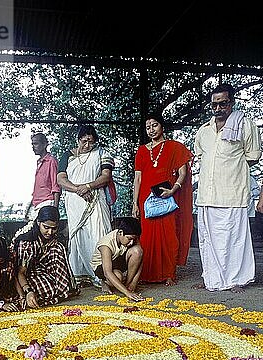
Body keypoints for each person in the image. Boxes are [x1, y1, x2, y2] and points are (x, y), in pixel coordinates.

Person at [194, 82, 262, 292]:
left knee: (234, 239)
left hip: (232, 192)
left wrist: (230, 170)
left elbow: (253, 156)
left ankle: (237, 280)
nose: (218, 109)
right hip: (207, 194)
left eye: (223, 103)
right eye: (214, 105)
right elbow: (201, 157)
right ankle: (212, 278)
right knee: (209, 240)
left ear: (231, 103)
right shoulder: (203, 130)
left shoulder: (245, 125)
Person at [132, 112, 194, 286]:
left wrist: (174, 189)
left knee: (169, 235)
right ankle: (146, 274)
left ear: (162, 126)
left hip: (168, 196)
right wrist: (135, 203)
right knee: (147, 237)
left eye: (155, 125)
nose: (151, 130)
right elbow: (138, 178)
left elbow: (183, 173)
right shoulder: (142, 151)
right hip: (147, 199)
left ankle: (168, 274)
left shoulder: (175, 147)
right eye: (148, 127)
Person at [57, 124, 114, 288]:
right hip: (75, 202)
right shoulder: (67, 156)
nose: (87, 145)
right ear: (78, 140)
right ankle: (80, 275)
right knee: (78, 238)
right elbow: (61, 180)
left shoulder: (102, 153)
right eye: (84, 141)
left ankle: (102, 276)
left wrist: (88, 186)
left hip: (95, 200)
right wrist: (79, 189)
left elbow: (105, 177)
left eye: (91, 142)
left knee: (99, 234)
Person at [11, 205, 78, 309]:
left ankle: (59, 290)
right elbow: (20, 272)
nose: (50, 232)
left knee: (57, 248)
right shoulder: (26, 242)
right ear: (38, 223)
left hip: (43, 271)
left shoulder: (53, 239)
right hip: (26, 275)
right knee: (47, 291)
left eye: (54, 228)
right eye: (46, 227)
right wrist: (28, 291)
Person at [90, 218, 144, 301]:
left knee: (137, 251)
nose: (131, 242)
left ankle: (127, 283)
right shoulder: (106, 244)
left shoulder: (131, 236)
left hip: (117, 259)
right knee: (118, 276)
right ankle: (103, 282)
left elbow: (140, 259)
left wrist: (133, 283)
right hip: (102, 266)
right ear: (120, 232)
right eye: (129, 239)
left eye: (134, 239)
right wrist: (127, 293)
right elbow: (107, 272)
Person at [24, 132, 61, 221]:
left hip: (47, 202)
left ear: (44, 144)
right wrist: (29, 208)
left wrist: (55, 210)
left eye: (36, 144)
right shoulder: (39, 162)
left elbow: (56, 187)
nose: (33, 147)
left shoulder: (51, 161)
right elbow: (37, 189)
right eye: (32, 144)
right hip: (36, 204)